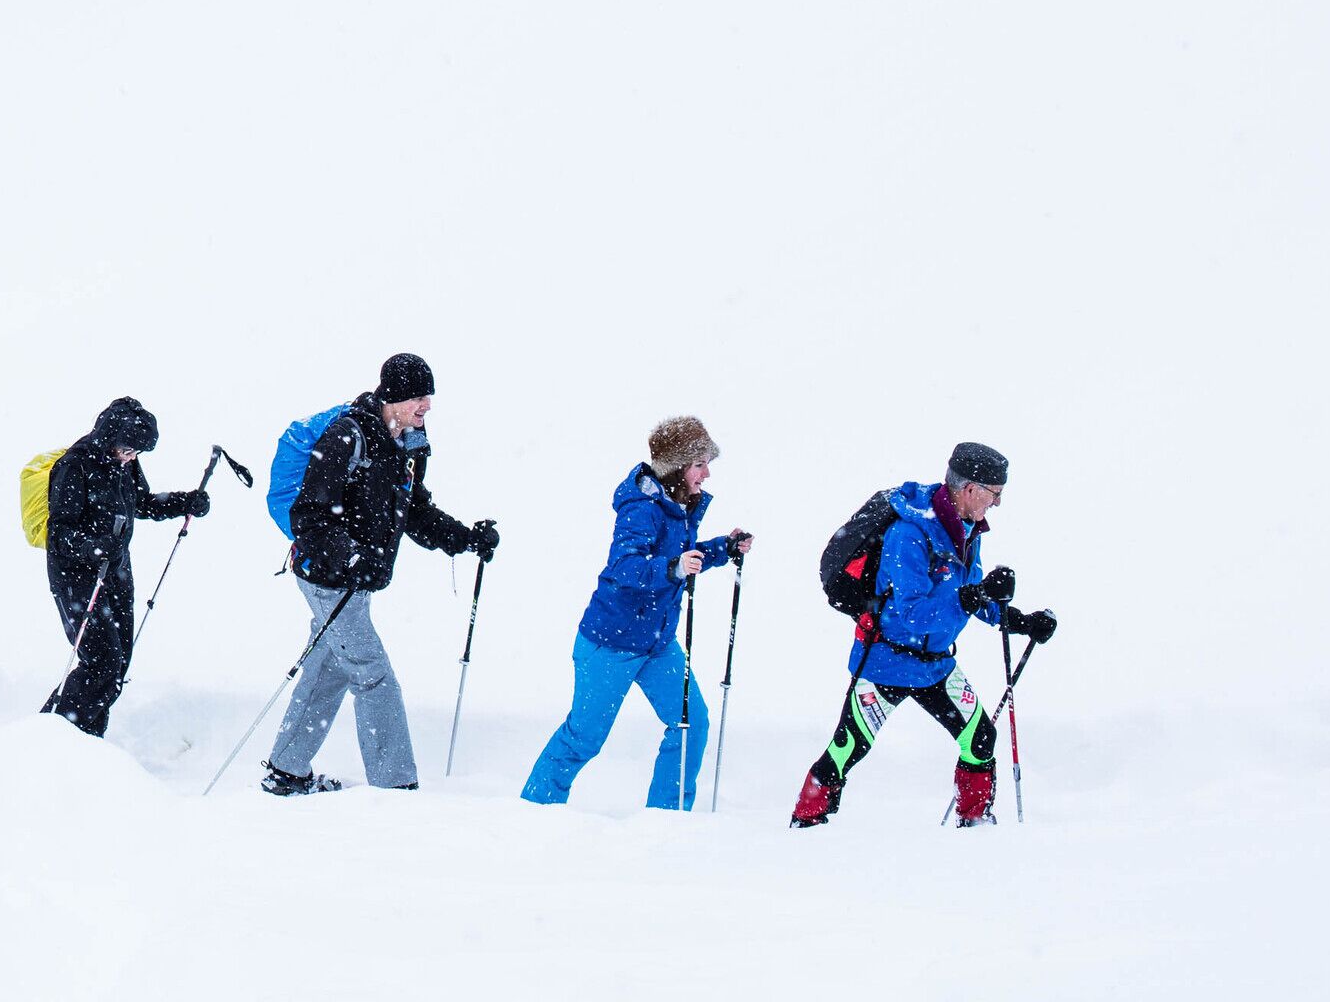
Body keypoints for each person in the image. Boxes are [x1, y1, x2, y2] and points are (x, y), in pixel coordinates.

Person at [790, 441, 1054, 828]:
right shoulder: (909, 534)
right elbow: (912, 614)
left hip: (935, 667)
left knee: (980, 739)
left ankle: (976, 825)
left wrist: (1018, 621)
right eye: (994, 494)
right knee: (847, 749)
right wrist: (973, 596)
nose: (996, 504)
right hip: (887, 663)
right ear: (970, 489)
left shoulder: (967, 530)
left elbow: (971, 594)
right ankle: (805, 823)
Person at [263, 353, 493, 795]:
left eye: (429, 397)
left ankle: (286, 772)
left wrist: (466, 538)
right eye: (417, 398)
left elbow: (416, 511)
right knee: (374, 676)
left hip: (356, 583)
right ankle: (395, 789)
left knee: (329, 669)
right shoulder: (346, 437)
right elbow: (310, 514)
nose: (426, 407)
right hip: (327, 579)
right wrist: (349, 558)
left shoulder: (408, 446)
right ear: (393, 396)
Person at [521, 415, 750, 808]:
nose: (707, 473)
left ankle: (669, 817)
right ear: (678, 466)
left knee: (690, 724)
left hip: (657, 643)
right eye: (700, 463)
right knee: (584, 737)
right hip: (612, 642)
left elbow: (678, 558)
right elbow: (624, 566)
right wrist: (673, 568)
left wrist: (720, 549)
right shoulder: (642, 507)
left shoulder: (679, 502)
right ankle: (534, 810)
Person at [38, 397, 217, 736]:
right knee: (102, 663)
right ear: (108, 438)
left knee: (117, 665)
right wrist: (92, 547)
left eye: (136, 453)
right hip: (75, 577)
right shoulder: (74, 466)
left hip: (117, 573)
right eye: (126, 450)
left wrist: (184, 501)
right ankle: (47, 738)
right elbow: (58, 533)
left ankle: (86, 744)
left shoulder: (124, 463)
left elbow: (143, 503)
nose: (130, 457)